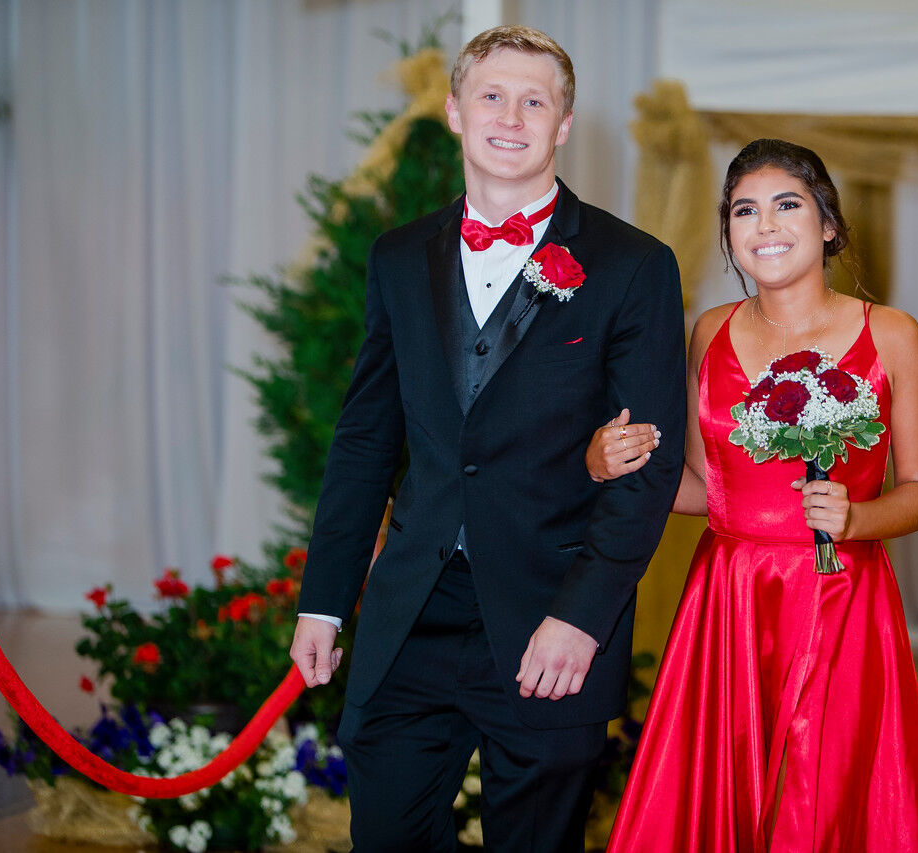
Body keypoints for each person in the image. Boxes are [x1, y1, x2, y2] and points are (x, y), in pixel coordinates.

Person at [288, 26, 686, 852]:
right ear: (454, 112)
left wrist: (581, 618)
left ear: (564, 123)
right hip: (411, 618)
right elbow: (366, 441)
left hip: (554, 618)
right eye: (492, 96)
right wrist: (324, 600)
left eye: (535, 99)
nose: (512, 115)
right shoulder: (398, 259)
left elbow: (647, 466)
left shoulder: (632, 264)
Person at [591, 139, 918, 851]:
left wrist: (857, 516)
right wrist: (613, 466)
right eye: (744, 211)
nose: (766, 226)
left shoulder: (893, 334)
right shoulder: (710, 331)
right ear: (728, 234)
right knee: (721, 796)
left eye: (788, 205)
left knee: (823, 796)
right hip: (728, 598)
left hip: (842, 597)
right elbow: (704, 489)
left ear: (827, 225)